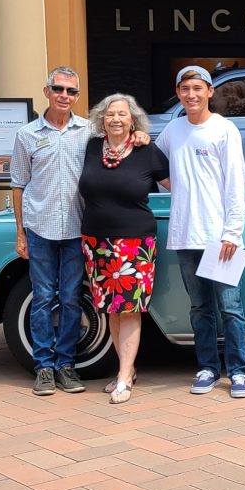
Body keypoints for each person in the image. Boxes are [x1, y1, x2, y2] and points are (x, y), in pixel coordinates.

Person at [10, 66, 149, 397]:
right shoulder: (26, 135)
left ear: (77, 95)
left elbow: (120, 139)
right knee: (43, 298)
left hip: (77, 229)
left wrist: (140, 136)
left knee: (72, 298)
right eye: (58, 89)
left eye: (71, 91)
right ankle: (43, 367)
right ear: (47, 91)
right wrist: (20, 233)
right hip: (40, 228)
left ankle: (65, 364)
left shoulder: (89, 132)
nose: (64, 96)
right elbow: (18, 184)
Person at [155, 65, 245, 398]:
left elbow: (237, 183)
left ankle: (238, 372)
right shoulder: (173, 129)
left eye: (198, 88)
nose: (191, 95)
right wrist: (179, 187)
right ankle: (207, 368)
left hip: (219, 236)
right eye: (185, 89)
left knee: (230, 308)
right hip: (185, 234)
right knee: (199, 308)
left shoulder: (224, 129)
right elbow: (154, 163)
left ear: (210, 91)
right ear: (178, 93)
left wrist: (232, 233)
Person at [78, 93, 169, 404]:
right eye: (110, 114)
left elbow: (180, 185)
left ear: (133, 120)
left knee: (128, 309)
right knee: (111, 310)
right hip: (96, 242)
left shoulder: (147, 150)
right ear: (102, 119)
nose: (115, 119)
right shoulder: (92, 147)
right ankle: (125, 371)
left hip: (134, 243)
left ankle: (124, 376)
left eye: (122, 114)